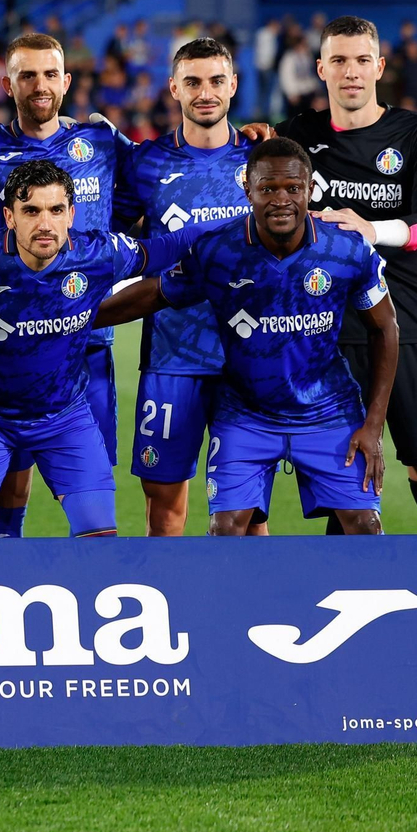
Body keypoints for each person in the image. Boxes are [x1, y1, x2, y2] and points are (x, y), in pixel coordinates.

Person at [0, 159, 207, 539]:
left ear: (71, 214)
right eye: (31, 211)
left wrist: (245, 228)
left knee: (100, 543)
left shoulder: (99, 255)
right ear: (9, 216)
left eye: (56, 210)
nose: (45, 224)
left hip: (64, 417)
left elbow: (170, 246)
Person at [97, 138, 399, 536]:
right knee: (226, 531)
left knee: (365, 527)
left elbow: (386, 328)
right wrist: (78, 319)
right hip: (246, 416)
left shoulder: (346, 248)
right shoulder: (218, 250)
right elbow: (156, 293)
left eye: (293, 189)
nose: (281, 199)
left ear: (310, 189)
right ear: (248, 190)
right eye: (268, 188)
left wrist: (373, 427)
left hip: (328, 412)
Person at [263, 16, 417, 535]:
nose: (350, 72)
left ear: (378, 67)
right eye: (338, 61)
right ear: (321, 69)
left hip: (414, 323)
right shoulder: (294, 137)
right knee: (348, 499)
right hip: (329, 336)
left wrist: (370, 230)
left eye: (360, 61)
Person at [0, 33, 134, 537]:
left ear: (67, 81)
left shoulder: (103, 143)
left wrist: (245, 136)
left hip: (88, 344)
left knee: (90, 486)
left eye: (49, 74)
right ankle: (5, 569)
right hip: (9, 348)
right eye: (27, 75)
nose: (39, 85)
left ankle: (90, 592)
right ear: (7, 84)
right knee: (11, 484)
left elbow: (174, 162)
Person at [114, 37, 261, 536]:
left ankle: (249, 611)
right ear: (173, 87)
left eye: (217, 81)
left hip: (249, 361)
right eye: (193, 82)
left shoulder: (266, 159)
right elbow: (107, 236)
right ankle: (172, 610)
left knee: (247, 514)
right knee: (165, 510)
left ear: (233, 86)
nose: (206, 92)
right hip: (172, 359)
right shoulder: (144, 164)